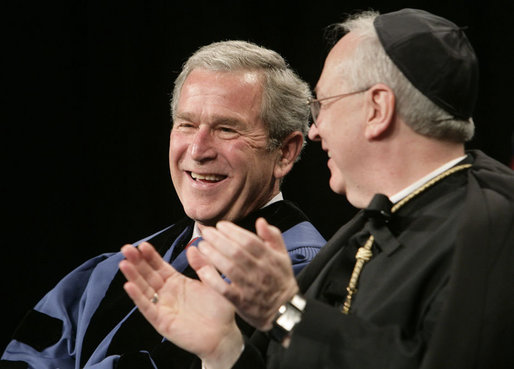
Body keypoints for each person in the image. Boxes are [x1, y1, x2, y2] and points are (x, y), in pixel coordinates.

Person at [114, 8, 514, 369]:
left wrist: (286, 311)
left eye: (323, 105)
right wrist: (224, 351)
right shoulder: (365, 229)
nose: (316, 131)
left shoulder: (494, 228)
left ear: (377, 110)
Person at [0, 40, 327, 368]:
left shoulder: (299, 277)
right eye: (186, 124)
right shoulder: (111, 272)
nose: (198, 150)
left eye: (226, 129)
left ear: (285, 152)